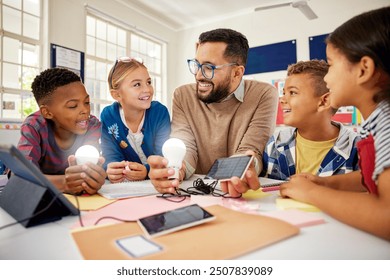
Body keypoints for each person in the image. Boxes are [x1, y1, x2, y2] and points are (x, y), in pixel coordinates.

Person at [280, 6, 390, 240]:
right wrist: (324, 183)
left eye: (331, 65)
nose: (327, 78)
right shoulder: (376, 122)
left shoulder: (388, 123)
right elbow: (370, 179)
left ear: (364, 70)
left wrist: (311, 193)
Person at [148, 28, 278, 196]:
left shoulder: (264, 94)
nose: (198, 76)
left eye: (209, 67)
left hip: (244, 196)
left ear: (237, 73)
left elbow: (252, 149)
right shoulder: (182, 95)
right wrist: (176, 169)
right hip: (195, 193)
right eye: (197, 65)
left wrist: (241, 169)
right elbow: (185, 145)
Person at [262, 60, 361, 182]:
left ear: (324, 102)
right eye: (284, 93)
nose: (282, 99)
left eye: (292, 92)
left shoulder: (357, 149)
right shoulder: (274, 144)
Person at [17, 68, 106, 195]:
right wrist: (64, 183)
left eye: (86, 102)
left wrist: (93, 178)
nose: (85, 110)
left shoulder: (92, 125)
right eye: (72, 106)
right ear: (47, 112)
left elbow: (89, 173)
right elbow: (22, 175)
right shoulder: (34, 126)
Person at [101, 57, 171, 183]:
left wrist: (147, 170)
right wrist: (111, 169)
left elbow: (164, 156)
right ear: (117, 95)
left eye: (148, 82)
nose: (147, 89)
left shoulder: (159, 112)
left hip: (157, 185)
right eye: (137, 84)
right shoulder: (108, 116)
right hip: (125, 188)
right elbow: (110, 156)